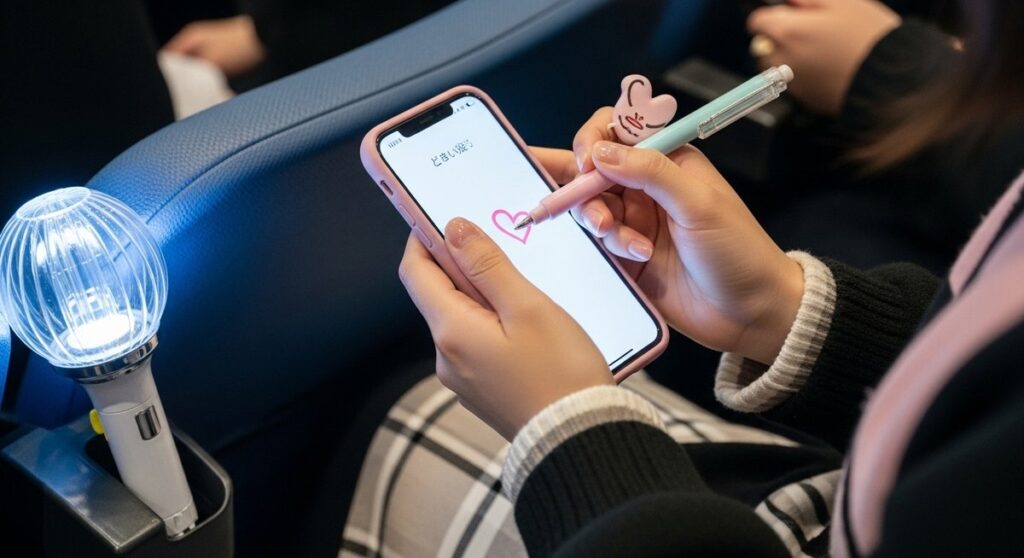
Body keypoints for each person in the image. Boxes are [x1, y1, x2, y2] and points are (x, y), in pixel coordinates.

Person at [340, 0, 1024, 556]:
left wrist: (565, 428)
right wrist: (779, 308)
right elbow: (985, 374)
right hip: (850, 489)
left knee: (398, 410)